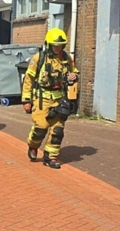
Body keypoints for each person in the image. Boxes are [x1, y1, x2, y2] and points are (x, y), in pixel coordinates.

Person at [22, 28, 79, 169]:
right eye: (55, 45)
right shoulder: (38, 58)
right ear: (49, 44)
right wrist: (26, 100)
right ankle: (33, 145)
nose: (58, 48)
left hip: (60, 99)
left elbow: (74, 72)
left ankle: (50, 157)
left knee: (57, 131)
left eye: (60, 45)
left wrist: (74, 76)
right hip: (41, 99)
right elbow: (28, 80)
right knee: (41, 128)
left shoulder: (66, 59)